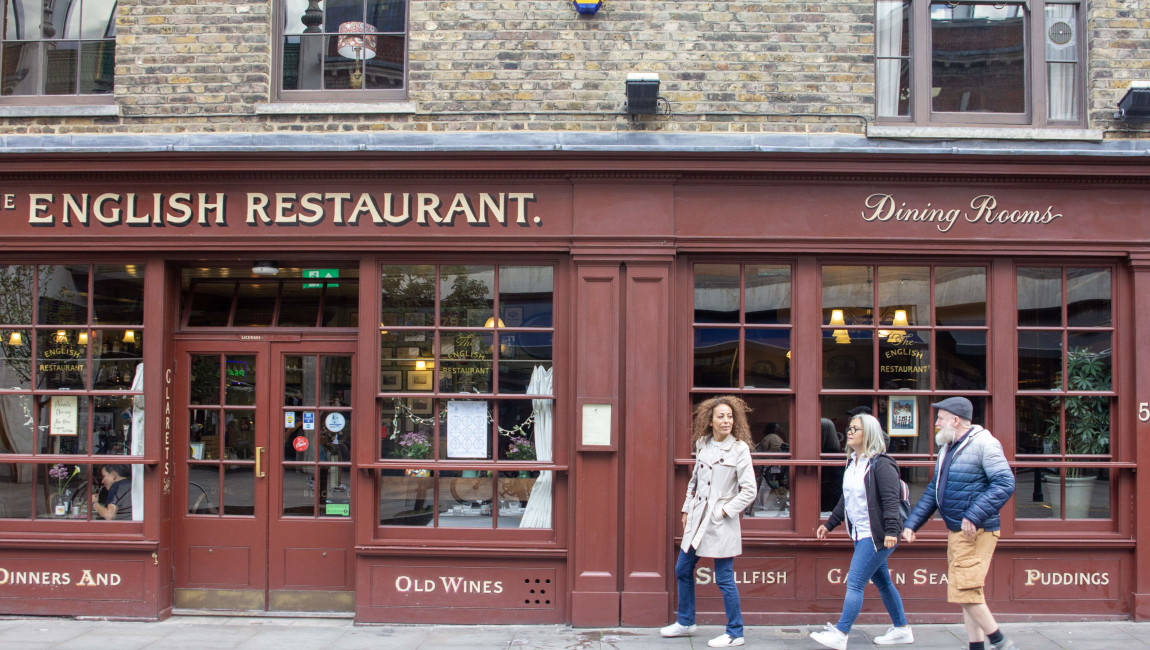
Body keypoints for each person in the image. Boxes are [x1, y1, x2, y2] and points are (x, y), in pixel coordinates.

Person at [901, 397, 1017, 650]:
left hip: (977, 530)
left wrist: (973, 515)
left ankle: (1000, 641)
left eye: (940, 419)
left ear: (955, 420)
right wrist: (912, 523)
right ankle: (976, 646)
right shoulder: (948, 447)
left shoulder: (985, 444)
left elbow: (1005, 483)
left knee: (965, 589)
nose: (937, 424)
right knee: (969, 590)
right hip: (958, 530)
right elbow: (934, 490)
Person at [661, 396, 757, 648]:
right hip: (697, 519)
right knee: (682, 569)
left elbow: (749, 491)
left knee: (724, 577)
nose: (726, 421)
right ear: (710, 420)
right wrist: (685, 509)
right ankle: (686, 622)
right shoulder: (702, 443)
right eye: (721, 416)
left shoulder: (740, 449)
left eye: (729, 416)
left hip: (719, 522)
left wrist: (724, 511)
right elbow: (694, 481)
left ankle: (735, 632)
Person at [811, 413, 913, 649]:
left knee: (855, 582)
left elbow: (890, 501)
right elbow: (845, 500)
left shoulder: (882, 463)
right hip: (859, 533)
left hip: (876, 535)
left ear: (869, 433)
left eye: (855, 429)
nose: (849, 432)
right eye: (849, 428)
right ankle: (902, 629)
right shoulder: (854, 462)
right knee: (884, 582)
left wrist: (891, 531)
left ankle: (841, 633)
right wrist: (829, 524)